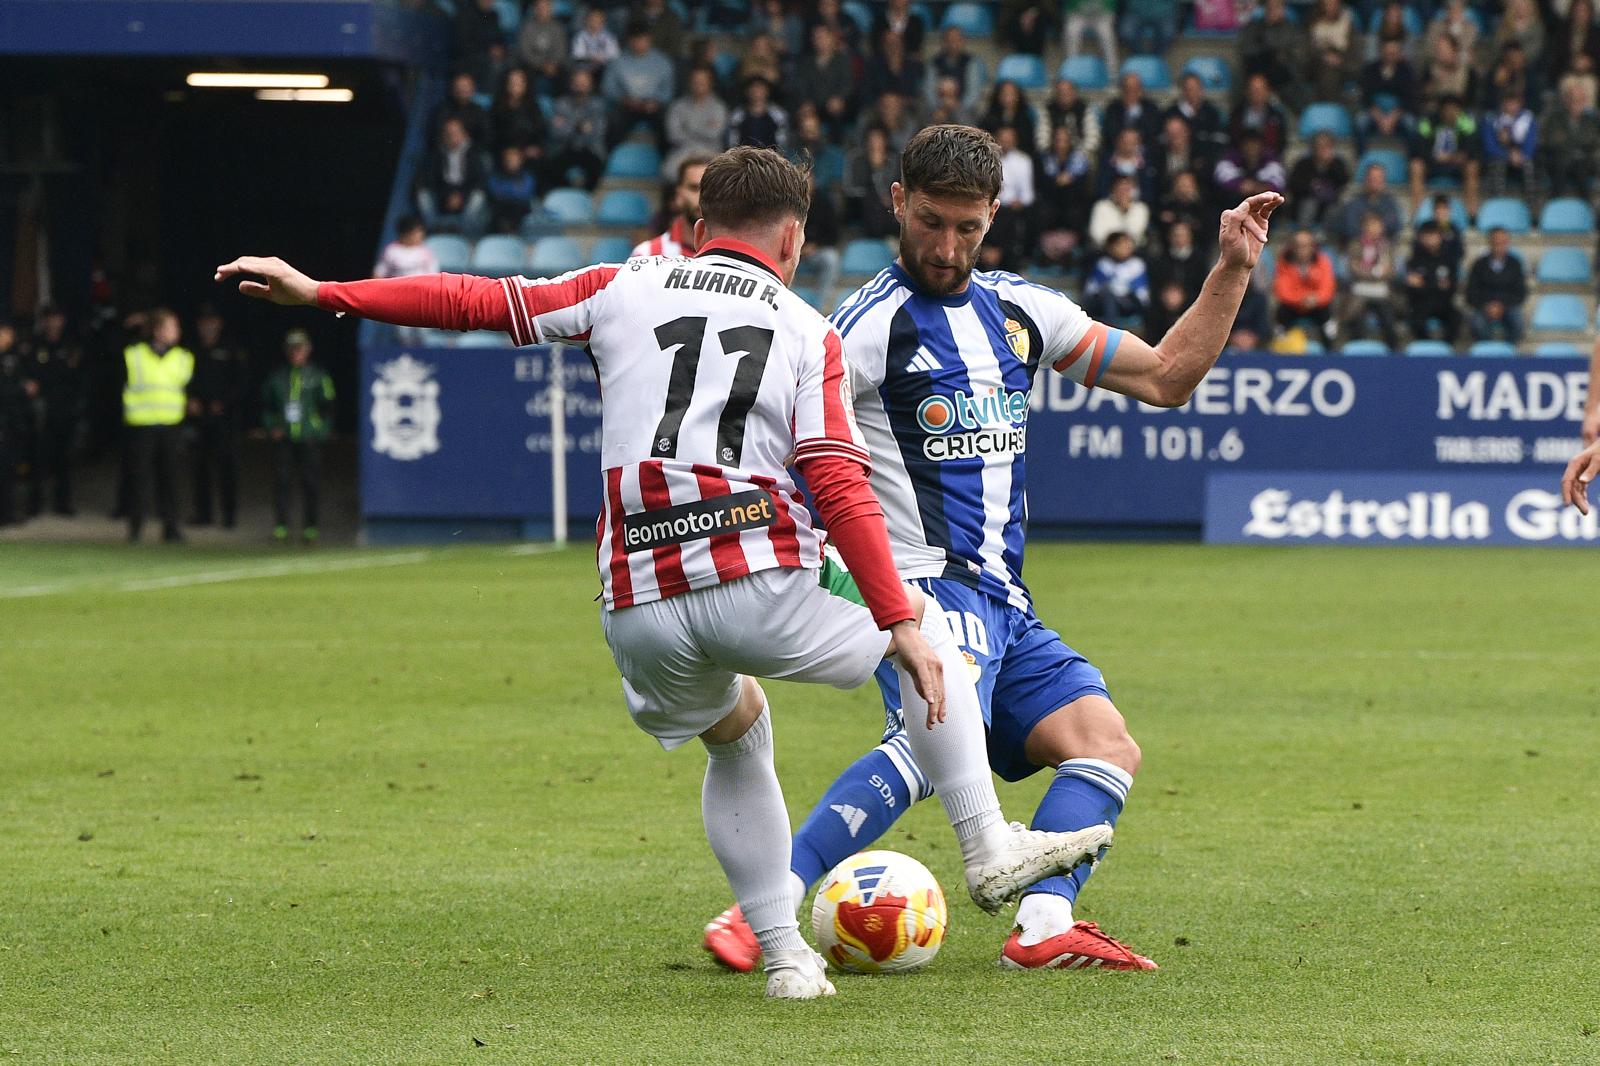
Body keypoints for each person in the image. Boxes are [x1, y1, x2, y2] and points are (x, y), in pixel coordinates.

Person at [216, 145, 1110, 1001]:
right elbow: (837, 478)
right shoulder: (805, 328)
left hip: (638, 601)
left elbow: (472, 299)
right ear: (793, 239)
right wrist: (899, 621)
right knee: (931, 633)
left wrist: (324, 290)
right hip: (757, 572)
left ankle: (787, 958)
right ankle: (988, 844)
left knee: (738, 732)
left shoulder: (620, 286)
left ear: (695, 224)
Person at [698, 125, 1280, 975]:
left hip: (1007, 600)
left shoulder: (1021, 311)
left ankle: (1043, 925)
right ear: (897, 201)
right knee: (930, 744)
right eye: (931, 222)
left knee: (1105, 746)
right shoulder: (859, 329)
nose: (947, 246)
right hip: (927, 590)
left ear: (995, 215)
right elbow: (779, 442)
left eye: (967, 229)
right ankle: (766, 905)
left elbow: (1166, 377)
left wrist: (1231, 267)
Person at [121, 308, 193, 543]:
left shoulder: (183, 357)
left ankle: (171, 527)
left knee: (171, 480)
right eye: (172, 327)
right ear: (158, 330)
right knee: (139, 479)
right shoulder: (134, 353)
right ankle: (136, 527)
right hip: (141, 425)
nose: (177, 332)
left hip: (171, 425)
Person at [260, 329, 334, 544]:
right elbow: (266, 407)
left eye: (299, 348)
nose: (296, 353)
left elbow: (328, 408)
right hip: (284, 439)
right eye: (292, 348)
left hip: (308, 438)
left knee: (310, 482)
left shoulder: (318, 376)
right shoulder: (277, 377)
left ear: (307, 349)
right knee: (282, 482)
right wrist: (272, 427)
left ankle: (310, 527)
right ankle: (281, 526)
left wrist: (319, 431)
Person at [186, 307, 248, 529]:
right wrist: (190, 399)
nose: (207, 324)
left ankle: (229, 515)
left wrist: (224, 403)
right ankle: (203, 513)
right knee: (200, 466)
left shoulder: (231, 348)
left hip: (225, 420)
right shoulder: (192, 349)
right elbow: (185, 378)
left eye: (211, 320)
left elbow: (241, 383)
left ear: (219, 322)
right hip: (200, 418)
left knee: (227, 467)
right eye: (203, 320)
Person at [25, 306, 81, 518]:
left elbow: (74, 377)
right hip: (43, 411)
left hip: (65, 410)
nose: (53, 323)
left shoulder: (70, 345)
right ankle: (35, 503)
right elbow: (34, 375)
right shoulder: (36, 344)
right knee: (38, 459)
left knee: (64, 460)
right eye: (49, 319)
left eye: (56, 318)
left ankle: (63, 502)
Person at [601, 25, 675, 148]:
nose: (640, 43)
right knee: (614, 122)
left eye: (643, 40)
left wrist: (656, 102)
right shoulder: (618, 61)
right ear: (630, 41)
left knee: (667, 124)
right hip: (626, 104)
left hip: (653, 106)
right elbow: (608, 88)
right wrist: (624, 99)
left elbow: (668, 91)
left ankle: (666, 158)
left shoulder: (662, 61)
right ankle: (609, 156)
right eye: (636, 40)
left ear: (649, 40)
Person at [416, 116, 489, 238]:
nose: (452, 136)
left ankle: (467, 236)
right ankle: (434, 230)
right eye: (448, 133)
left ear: (464, 134)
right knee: (422, 194)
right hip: (444, 194)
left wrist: (461, 195)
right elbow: (429, 180)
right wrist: (447, 195)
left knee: (478, 196)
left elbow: (479, 180)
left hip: (466, 193)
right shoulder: (436, 154)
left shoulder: (474, 153)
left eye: (455, 133)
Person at [1341, 214, 1400, 348]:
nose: (1375, 229)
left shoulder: (1387, 246)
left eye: (1378, 226)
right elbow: (1353, 268)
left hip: (1382, 291)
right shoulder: (1355, 245)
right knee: (1357, 321)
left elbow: (1391, 270)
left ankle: (1394, 352)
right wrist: (1376, 273)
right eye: (1371, 226)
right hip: (1360, 289)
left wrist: (1368, 272)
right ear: (1364, 228)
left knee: (1388, 320)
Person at [548, 67, 609, 191]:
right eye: (577, 83)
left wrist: (568, 124)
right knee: (553, 167)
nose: (581, 86)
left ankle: (585, 199)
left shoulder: (598, 105)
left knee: (595, 168)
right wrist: (580, 127)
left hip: (590, 149)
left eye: (584, 83)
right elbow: (556, 132)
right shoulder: (561, 104)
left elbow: (597, 133)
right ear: (571, 84)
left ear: (591, 85)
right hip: (565, 147)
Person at [632, 156, 708, 256]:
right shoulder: (647, 253)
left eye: (710, 188)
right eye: (694, 188)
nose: (701, 197)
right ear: (678, 195)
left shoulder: (734, 255)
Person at [1465, 227, 1527, 344]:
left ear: (1507, 243)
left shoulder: (1515, 264)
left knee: (1518, 323)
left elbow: (1520, 292)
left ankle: (1508, 351)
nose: (1499, 245)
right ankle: (1487, 351)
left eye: (1502, 241)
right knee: (1476, 324)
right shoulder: (1479, 264)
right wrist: (1487, 305)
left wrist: (1501, 305)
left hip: (1508, 306)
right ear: (1490, 242)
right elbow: (1471, 292)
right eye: (1496, 241)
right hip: (1484, 306)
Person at [663, 67, 727, 180]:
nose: (699, 84)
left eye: (703, 81)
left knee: (720, 176)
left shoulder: (719, 107)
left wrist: (688, 128)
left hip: (711, 151)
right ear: (690, 83)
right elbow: (674, 135)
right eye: (695, 81)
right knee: (668, 172)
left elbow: (714, 134)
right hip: (684, 150)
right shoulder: (678, 106)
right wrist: (704, 128)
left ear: (710, 83)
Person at [1272, 230, 1336, 340]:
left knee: (1327, 314)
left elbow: (1327, 287)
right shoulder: (1284, 262)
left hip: (1317, 304)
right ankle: (1280, 341)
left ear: (1312, 247)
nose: (1302, 250)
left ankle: (1330, 347)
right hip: (1292, 305)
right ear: (1292, 247)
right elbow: (1283, 290)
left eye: (1306, 246)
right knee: (1281, 312)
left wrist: (1316, 299)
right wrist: (1301, 299)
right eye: (1298, 246)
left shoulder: (1323, 261)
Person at [1404, 221, 1460, 342]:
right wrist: (1435, 285)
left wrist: (1425, 284)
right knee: (1415, 319)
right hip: (1421, 303)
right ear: (1421, 238)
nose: (1430, 239)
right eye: (1427, 235)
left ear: (1440, 237)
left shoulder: (1449, 260)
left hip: (1443, 302)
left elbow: (1452, 286)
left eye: (1433, 235)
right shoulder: (1414, 261)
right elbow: (1411, 288)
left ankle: (1446, 348)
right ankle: (1427, 347)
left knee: (1457, 317)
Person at [1083, 231, 1150, 328]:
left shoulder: (1137, 264)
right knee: (1107, 294)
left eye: (1128, 244)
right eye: (1120, 244)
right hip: (1105, 301)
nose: (1125, 248)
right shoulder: (1103, 264)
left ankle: (1110, 330)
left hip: (1129, 303)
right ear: (1110, 247)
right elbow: (1091, 290)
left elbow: (1142, 296)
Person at [1287, 131, 1351, 229]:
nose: (1323, 149)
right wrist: (1311, 186)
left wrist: (1330, 164)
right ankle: (1304, 233)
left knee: (1336, 209)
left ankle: (1327, 237)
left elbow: (1344, 181)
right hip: (1306, 201)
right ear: (1313, 148)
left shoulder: (1337, 164)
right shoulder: (1303, 164)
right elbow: (1293, 185)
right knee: (1309, 205)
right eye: (1320, 146)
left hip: (1330, 203)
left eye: (1327, 146)